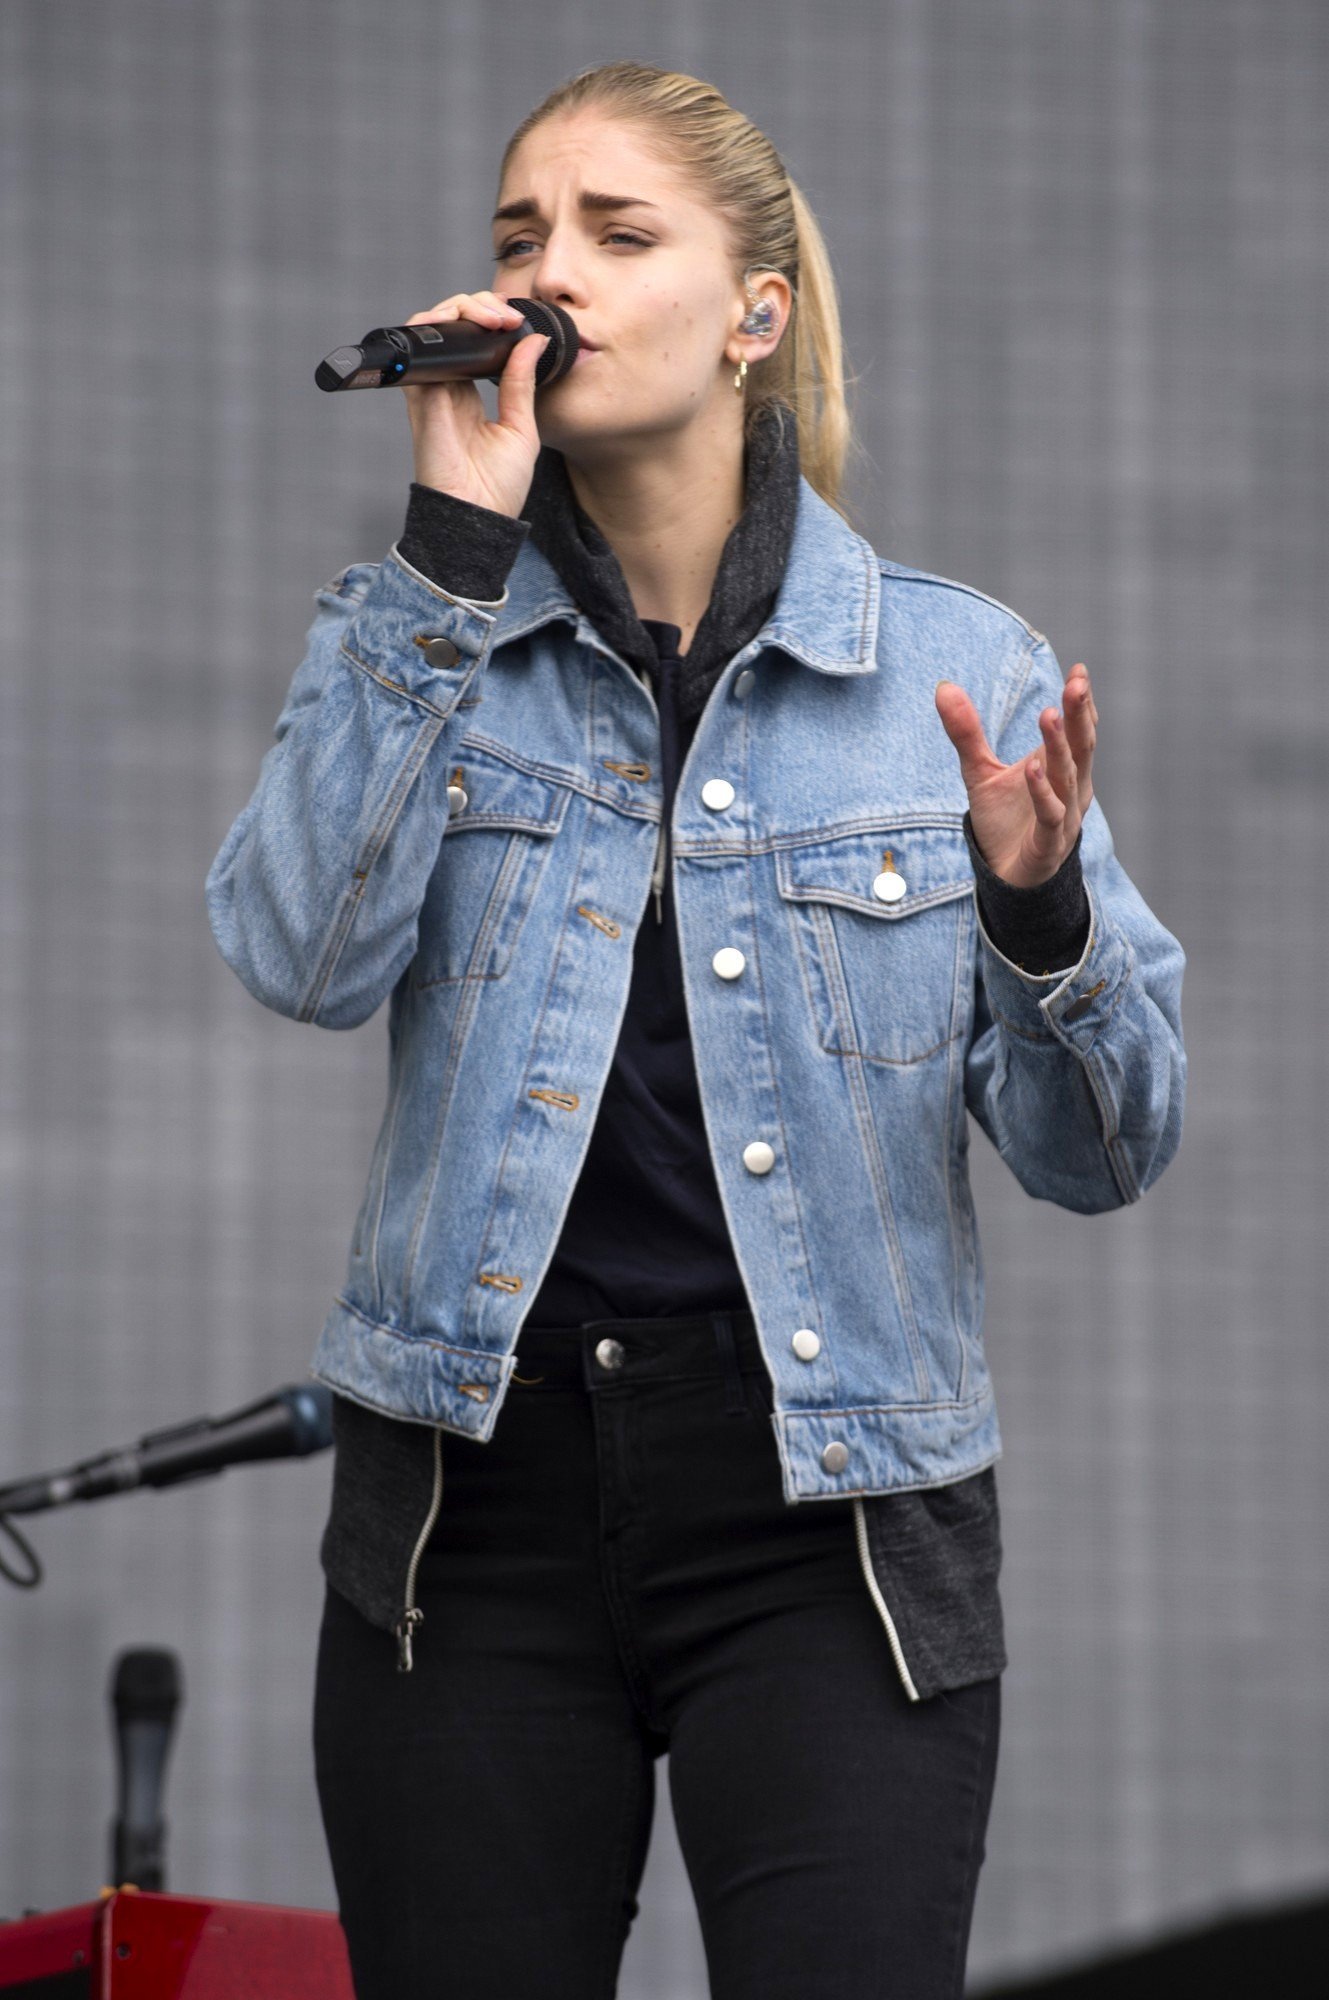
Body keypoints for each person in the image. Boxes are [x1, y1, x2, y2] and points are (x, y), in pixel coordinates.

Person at [205, 59, 1186, 2000]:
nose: (544, 275)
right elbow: (293, 952)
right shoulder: (415, 630)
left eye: (611, 232)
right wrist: (442, 555)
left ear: (755, 314)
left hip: (826, 1523)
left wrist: (1035, 904)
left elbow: (1105, 1148)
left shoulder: (953, 671)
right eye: (516, 240)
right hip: (464, 1519)